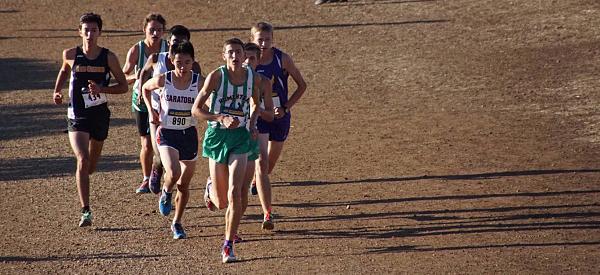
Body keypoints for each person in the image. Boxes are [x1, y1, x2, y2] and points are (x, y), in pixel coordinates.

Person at [52, 13, 128, 227]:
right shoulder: (70, 54)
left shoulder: (109, 57)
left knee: (91, 165)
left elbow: (123, 86)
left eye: (94, 30)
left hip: (99, 115)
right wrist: (57, 91)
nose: (90, 34)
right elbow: (63, 71)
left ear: (100, 32)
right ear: (80, 32)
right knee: (83, 159)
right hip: (77, 115)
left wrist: (102, 89)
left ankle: (86, 173)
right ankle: (86, 210)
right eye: (86, 30)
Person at [192, 38, 261, 263]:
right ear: (224, 55)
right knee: (221, 201)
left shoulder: (251, 76)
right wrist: (219, 117)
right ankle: (210, 186)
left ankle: (228, 245)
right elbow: (196, 109)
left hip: (241, 138)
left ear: (243, 55)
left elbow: (255, 103)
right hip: (217, 137)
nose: (235, 56)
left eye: (238, 52)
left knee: (235, 192)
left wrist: (252, 123)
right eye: (230, 52)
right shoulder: (216, 77)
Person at [141, 41, 202, 239]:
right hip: (167, 132)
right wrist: (152, 111)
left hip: (189, 134)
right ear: (171, 60)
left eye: (187, 62)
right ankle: (166, 191)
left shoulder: (198, 82)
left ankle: (177, 223)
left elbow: (211, 99)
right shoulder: (164, 79)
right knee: (174, 172)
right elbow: (145, 88)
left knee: (184, 185)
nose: (182, 67)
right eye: (178, 62)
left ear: (193, 62)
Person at [249, 22, 307, 211]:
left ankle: (257, 180)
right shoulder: (248, 62)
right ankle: (267, 209)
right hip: (260, 118)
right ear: (252, 40)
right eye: (260, 40)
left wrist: (285, 107)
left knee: (269, 165)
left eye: (267, 40)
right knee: (262, 162)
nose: (264, 44)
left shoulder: (282, 59)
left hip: (280, 117)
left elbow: (302, 85)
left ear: (273, 40)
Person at [138, 25, 202, 194]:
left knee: (174, 157)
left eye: (183, 42)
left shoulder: (192, 66)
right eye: (175, 42)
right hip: (159, 110)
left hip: (183, 116)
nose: (178, 45)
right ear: (169, 42)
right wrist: (142, 97)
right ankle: (156, 169)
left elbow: (202, 91)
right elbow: (144, 74)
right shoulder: (157, 57)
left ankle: (166, 176)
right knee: (157, 148)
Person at [122, 13, 169, 194]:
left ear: (164, 32)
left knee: (164, 140)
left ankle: (163, 173)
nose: (155, 33)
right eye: (152, 30)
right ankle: (146, 178)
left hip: (163, 101)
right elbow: (123, 77)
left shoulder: (168, 49)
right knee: (147, 144)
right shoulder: (136, 50)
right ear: (144, 30)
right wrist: (139, 76)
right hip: (141, 101)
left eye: (159, 30)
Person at [242, 42, 275, 232]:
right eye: (244, 56)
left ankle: (267, 213)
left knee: (262, 163)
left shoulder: (264, 82)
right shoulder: (228, 79)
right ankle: (212, 184)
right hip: (233, 129)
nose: (247, 61)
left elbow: (270, 114)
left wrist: (257, 110)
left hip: (256, 126)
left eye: (252, 58)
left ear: (258, 60)